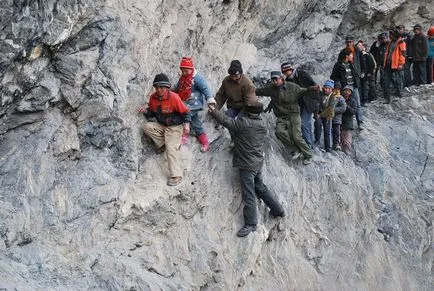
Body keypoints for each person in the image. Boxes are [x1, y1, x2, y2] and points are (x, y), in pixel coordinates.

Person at [208, 100, 285, 237]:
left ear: (248, 112)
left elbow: (227, 121)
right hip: (257, 162)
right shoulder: (262, 124)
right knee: (260, 187)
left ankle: (251, 223)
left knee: (248, 194)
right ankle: (278, 209)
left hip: (246, 165)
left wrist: (214, 111)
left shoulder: (244, 124)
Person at [256, 71, 320, 165]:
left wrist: (313, 88)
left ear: (282, 78)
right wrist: (247, 89)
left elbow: (304, 91)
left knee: (296, 136)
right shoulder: (271, 88)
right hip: (281, 116)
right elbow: (259, 91)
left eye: (276, 79)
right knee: (279, 132)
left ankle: (309, 154)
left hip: (293, 114)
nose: (274, 81)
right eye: (273, 79)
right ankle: (297, 149)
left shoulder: (292, 87)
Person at [138, 73, 191, 186]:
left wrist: (186, 125)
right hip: (163, 126)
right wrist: (146, 111)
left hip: (175, 128)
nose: (159, 90)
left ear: (167, 87)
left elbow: (186, 112)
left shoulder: (174, 97)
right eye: (157, 87)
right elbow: (152, 112)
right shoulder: (153, 98)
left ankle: (176, 175)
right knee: (146, 127)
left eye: (162, 87)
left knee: (172, 148)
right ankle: (162, 144)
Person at [173, 57, 214, 152]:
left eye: (186, 71)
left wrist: (210, 99)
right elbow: (177, 88)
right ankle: (205, 142)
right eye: (182, 71)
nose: (184, 73)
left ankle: (185, 134)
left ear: (191, 69)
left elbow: (205, 88)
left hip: (194, 103)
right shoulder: (182, 78)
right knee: (196, 123)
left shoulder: (197, 78)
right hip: (185, 103)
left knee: (186, 115)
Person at [281, 62, 321, 148]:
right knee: (307, 125)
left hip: (309, 103)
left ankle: (309, 146)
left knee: (304, 123)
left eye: (285, 72)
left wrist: (317, 103)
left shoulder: (302, 74)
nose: (284, 74)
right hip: (300, 105)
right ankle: (311, 146)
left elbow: (314, 87)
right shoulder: (288, 80)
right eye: (283, 73)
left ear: (290, 70)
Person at [214, 60, 257, 141]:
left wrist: (245, 114)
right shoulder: (226, 81)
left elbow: (251, 102)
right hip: (233, 106)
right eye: (231, 75)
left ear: (240, 73)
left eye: (236, 75)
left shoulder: (247, 83)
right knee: (226, 119)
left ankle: (242, 140)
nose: (233, 78)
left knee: (239, 123)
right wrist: (215, 108)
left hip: (245, 107)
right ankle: (234, 139)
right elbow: (221, 96)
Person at [330, 49, 363, 129]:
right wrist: (339, 83)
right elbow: (333, 76)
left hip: (353, 87)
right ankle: (341, 123)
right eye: (351, 55)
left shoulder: (351, 64)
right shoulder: (338, 65)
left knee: (358, 105)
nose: (352, 56)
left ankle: (360, 122)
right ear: (346, 56)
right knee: (343, 104)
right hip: (344, 88)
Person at [342, 36, 363, 128]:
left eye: (350, 42)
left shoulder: (357, 50)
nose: (349, 44)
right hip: (346, 84)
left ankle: (360, 122)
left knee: (357, 103)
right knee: (343, 103)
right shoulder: (343, 53)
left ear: (353, 42)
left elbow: (361, 61)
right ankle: (345, 124)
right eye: (347, 42)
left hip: (354, 82)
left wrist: (362, 71)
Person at [382, 28, 406, 104]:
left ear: (394, 35)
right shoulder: (390, 42)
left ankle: (399, 95)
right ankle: (387, 98)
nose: (389, 36)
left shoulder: (401, 42)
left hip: (396, 64)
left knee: (399, 80)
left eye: (390, 34)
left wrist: (401, 64)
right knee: (385, 81)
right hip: (388, 64)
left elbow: (403, 54)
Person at [314, 80, 336, 152]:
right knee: (317, 125)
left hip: (327, 115)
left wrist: (321, 115)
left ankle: (328, 147)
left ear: (331, 89)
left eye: (329, 88)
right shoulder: (320, 94)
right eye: (326, 88)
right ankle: (317, 140)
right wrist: (317, 113)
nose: (327, 90)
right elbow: (317, 103)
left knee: (327, 131)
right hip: (319, 113)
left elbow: (330, 109)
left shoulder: (333, 97)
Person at [340, 85, 357, 156]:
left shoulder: (353, 101)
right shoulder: (339, 99)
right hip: (339, 122)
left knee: (347, 141)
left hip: (348, 123)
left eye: (349, 91)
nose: (347, 92)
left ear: (351, 93)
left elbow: (354, 111)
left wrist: (346, 106)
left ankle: (348, 155)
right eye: (345, 90)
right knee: (339, 139)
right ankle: (340, 155)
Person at [331, 82, 347, 151]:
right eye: (335, 88)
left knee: (336, 132)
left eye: (338, 89)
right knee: (328, 132)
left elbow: (343, 108)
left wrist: (332, 110)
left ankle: (336, 144)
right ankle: (329, 144)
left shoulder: (341, 98)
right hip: (328, 118)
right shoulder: (330, 96)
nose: (336, 90)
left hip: (337, 119)